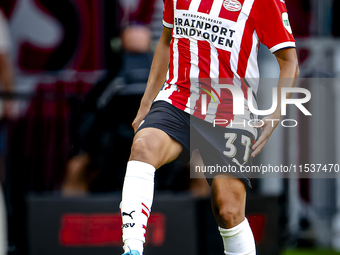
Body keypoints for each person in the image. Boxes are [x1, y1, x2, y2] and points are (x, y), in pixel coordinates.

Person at [120, 0, 299, 254]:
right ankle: (132, 247)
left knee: (228, 210)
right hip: (179, 98)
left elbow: (289, 61)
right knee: (143, 146)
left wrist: (276, 114)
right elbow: (165, 41)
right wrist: (147, 102)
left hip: (232, 110)